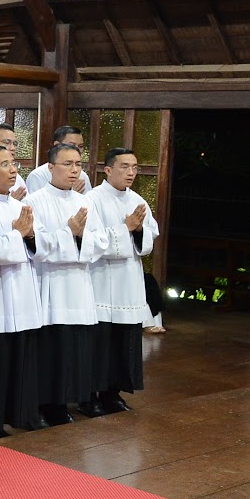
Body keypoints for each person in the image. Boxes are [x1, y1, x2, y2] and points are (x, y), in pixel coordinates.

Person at [26, 142, 110, 425]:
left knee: (75, 347)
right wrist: (69, 232)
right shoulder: (34, 201)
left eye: (78, 164)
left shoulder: (85, 202)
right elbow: (37, 245)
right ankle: (45, 405)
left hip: (78, 284)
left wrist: (80, 237)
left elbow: (100, 242)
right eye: (67, 164)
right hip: (50, 283)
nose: (75, 170)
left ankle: (66, 401)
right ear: (51, 167)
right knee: (51, 347)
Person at [0, 144, 46, 437]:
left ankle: (21, 414)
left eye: (14, 164)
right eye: (4, 164)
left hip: (22, 293)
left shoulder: (20, 207)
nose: (13, 169)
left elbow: (41, 248)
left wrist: (30, 236)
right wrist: (18, 235)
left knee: (21, 359)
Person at [87, 148, 159, 412]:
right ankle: (89, 396)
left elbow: (151, 236)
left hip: (128, 280)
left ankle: (112, 393)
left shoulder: (137, 200)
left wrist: (139, 230)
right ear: (108, 170)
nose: (131, 172)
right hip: (101, 279)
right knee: (100, 342)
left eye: (135, 167)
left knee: (123, 341)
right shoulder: (92, 199)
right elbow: (91, 240)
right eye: (124, 167)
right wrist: (125, 228)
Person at [25, 126, 88, 195]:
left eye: (80, 146)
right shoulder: (38, 175)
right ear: (57, 145)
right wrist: (72, 193)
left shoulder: (82, 176)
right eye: (71, 145)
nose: (76, 149)